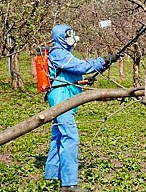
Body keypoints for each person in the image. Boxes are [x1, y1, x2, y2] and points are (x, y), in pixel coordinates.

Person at [44, 24, 121, 192]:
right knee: (70, 137)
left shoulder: (63, 54)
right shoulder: (58, 53)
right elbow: (80, 67)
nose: (71, 39)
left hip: (63, 97)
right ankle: (69, 184)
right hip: (61, 100)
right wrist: (103, 61)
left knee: (58, 136)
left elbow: (67, 76)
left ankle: (53, 175)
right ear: (60, 38)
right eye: (68, 36)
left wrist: (84, 81)